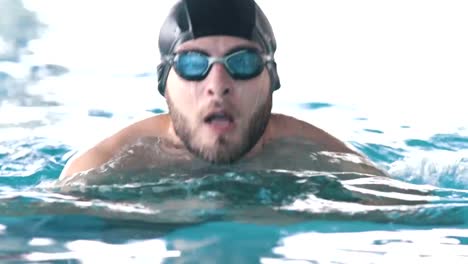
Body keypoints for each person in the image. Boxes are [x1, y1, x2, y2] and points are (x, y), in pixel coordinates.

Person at [59, 0, 387, 182]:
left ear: (271, 77)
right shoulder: (100, 169)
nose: (217, 86)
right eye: (192, 64)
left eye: (242, 62)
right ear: (164, 81)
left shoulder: (333, 164)